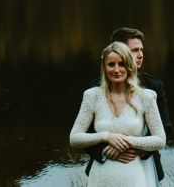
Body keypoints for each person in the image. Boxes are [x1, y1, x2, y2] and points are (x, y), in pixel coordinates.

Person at [70, 41, 166, 187]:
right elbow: (74, 138)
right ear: (104, 67)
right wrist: (107, 136)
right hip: (100, 177)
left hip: (133, 177)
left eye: (121, 64)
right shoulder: (92, 96)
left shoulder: (146, 97)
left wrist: (127, 142)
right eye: (111, 64)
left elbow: (160, 139)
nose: (116, 70)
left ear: (129, 65)